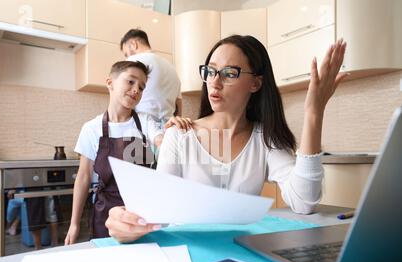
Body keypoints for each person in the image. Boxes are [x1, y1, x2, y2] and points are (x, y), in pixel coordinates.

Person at [105, 35, 348, 243]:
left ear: (256, 83)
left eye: (229, 73)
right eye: (210, 71)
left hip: (243, 255)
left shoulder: (264, 139)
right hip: (188, 256)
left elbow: (304, 202)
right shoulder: (179, 135)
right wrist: (126, 221)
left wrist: (314, 112)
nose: (215, 81)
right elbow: (158, 210)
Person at [64, 60, 191, 244]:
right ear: (110, 83)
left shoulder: (146, 122)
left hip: (141, 215)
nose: (136, 90)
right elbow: (83, 177)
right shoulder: (91, 129)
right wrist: (74, 224)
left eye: (141, 87)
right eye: (131, 82)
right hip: (106, 217)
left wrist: (172, 132)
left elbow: (161, 142)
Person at [120, 29, 184, 143]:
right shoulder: (172, 68)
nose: (126, 57)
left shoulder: (133, 62)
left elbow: (122, 99)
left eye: (126, 53)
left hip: (143, 130)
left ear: (133, 44)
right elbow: (179, 104)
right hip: (169, 131)